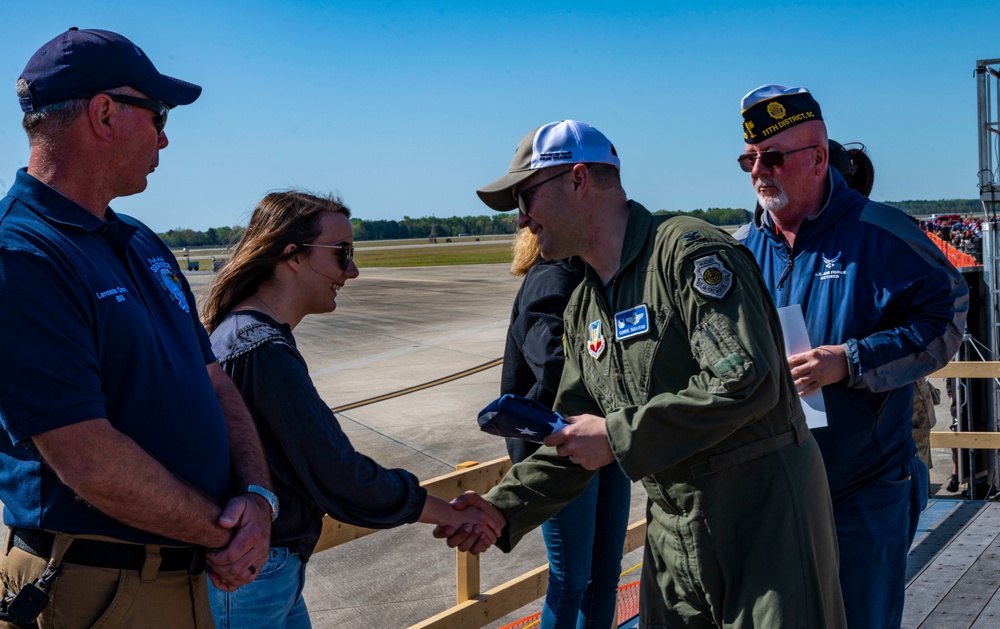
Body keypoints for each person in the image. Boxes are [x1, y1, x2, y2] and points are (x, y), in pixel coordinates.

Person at [440, 120, 846, 628]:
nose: (522, 220)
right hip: (672, 526)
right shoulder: (585, 305)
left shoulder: (688, 253)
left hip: (762, 519)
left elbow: (745, 381)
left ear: (578, 180)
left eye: (526, 198)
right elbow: (569, 433)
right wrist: (502, 509)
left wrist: (615, 436)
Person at [0, 28, 274, 628]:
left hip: (181, 573)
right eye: (157, 114)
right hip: (93, 588)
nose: (165, 137)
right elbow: (85, 456)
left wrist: (257, 496)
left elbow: (213, 382)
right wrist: (225, 532)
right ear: (103, 113)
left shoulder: (140, 241)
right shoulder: (22, 254)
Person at [200, 191, 501, 628]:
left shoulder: (248, 337)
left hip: (268, 570)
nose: (353, 271)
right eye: (342, 254)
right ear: (293, 256)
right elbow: (337, 473)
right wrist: (447, 512)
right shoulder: (259, 349)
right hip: (253, 579)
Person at [734, 85, 969, 629]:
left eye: (772, 158)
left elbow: (946, 320)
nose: (758, 171)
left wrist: (853, 359)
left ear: (818, 158)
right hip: (774, 485)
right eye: (749, 159)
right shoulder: (743, 249)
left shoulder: (883, 233)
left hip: (864, 488)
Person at [501, 229, 630, 629]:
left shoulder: (590, 275)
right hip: (559, 448)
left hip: (602, 436)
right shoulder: (553, 278)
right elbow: (551, 361)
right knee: (572, 577)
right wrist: (622, 382)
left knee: (605, 575)